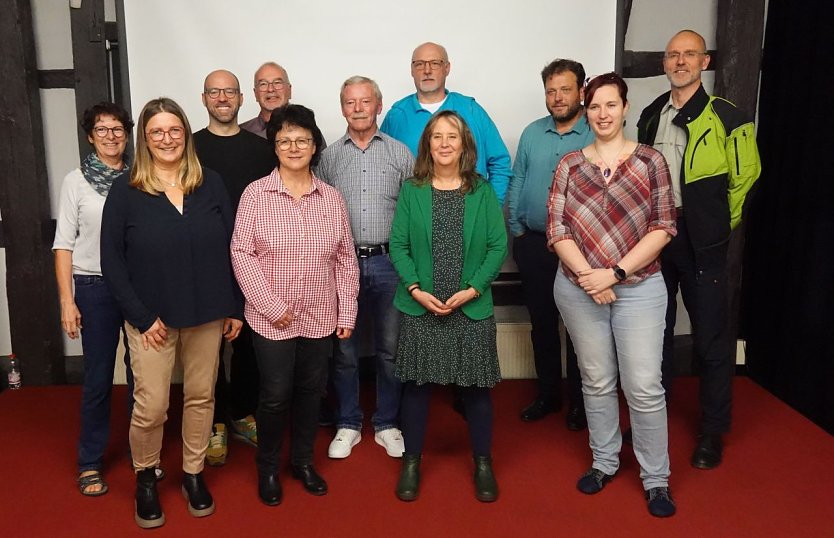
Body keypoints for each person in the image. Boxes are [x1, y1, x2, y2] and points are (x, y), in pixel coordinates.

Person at [101, 97, 243, 529]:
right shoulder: (125, 190)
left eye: (174, 130)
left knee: (202, 397)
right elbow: (112, 262)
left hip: (207, 313)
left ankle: (194, 474)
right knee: (153, 405)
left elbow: (232, 248)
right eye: (157, 132)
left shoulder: (211, 183)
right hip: (151, 322)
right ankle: (146, 477)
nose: (167, 138)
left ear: (186, 133)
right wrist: (142, 318)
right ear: (144, 139)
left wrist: (233, 305)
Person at [547, 73, 677, 517]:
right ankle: (604, 461)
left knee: (643, 386)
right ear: (586, 111)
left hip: (639, 288)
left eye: (611, 105)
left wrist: (615, 274)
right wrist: (589, 277)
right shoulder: (569, 165)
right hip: (579, 288)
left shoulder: (649, 162)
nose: (602, 114)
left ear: (625, 108)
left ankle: (656, 479)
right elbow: (557, 229)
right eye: (594, 106)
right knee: (597, 381)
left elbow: (664, 227)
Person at [637, 29, 761, 470]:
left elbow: (746, 178)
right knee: (656, 331)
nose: (680, 61)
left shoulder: (729, 116)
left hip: (701, 238)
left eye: (689, 54)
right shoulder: (651, 114)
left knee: (711, 337)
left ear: (704, 62)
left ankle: (713, 430)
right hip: (657, 236)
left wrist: (713, 226)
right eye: (673, 55)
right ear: (665, 63)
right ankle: (657, 412)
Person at [231, 104, 359, 506]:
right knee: (274, 395)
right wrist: (269, 304)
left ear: (314, 145)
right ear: (274, 146)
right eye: (284, 140)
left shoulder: (331, 197)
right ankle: (268, 467)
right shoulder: (256, 193)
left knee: (310, 391)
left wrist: (347, 311)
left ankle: (302, 462)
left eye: (302, 139)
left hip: (321, 315)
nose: (293, 146)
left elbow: (344, 258)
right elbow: (241, 252)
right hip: (272, 319)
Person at [390, 110, 507, 503]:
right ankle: (411, 461)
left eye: (451, 136)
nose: (443, 143)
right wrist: (416, 289)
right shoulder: (412, 190)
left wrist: (473, 289)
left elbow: (497, 246)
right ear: (427, 144)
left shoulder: (482, 191)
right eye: (436, 136)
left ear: (464, 144)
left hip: (469, 306)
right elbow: (399, 245)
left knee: (475, 391)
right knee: (418, 389)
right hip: (422, 304)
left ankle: (484, 462)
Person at [317, 76, 414, 460]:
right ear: (342, 108)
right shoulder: (328, 157)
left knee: (391, 348)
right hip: (341, 265)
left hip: (390, 263)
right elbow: (318, 209)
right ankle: (348, 422)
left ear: (379, 105)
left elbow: (413, 211)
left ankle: (388, 422)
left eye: (365, 101)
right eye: (350, 102)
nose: (358, 108)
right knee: (344, 350)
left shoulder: (399, 153)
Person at [194, 69, 276, 466]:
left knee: (248, 346)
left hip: (254, 262)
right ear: (204, 98)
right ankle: (214, 424)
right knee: (207, 348)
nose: (222, 97)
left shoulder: (261, 151)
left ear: (242, 99)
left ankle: (243, 414)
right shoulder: (188, 147)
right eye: (215, 91)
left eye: (229, 92)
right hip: (202, 263)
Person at [53, 102, 135, 497]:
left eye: (118, 129)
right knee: (99, 378)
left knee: (144, 377)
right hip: (94, 287)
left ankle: (144, 455)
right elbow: (63, 246)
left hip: (137, 288)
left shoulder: (140, 177)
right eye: (102, 129)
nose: (111, 136)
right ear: (90, 136)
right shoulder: (76, 182)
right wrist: (68, 302)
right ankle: (89, 461)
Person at [507, 59, 592, 430]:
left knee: (579, 328)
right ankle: (548, 395)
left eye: (565, 89)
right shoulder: (531, 133)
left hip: (580, 250)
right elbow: (516, 180)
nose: (557, 98)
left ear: (581, 91)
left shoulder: (596, 132)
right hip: (534, 245)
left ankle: (580, 401)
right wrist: (517, 229)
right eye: (551, 91)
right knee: (541, 324)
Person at [381, 42, 512, 204]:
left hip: (470, 214)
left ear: (447, 68)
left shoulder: (471, 110)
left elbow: (500, 163)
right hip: (417, 218)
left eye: (435, 63)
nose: (427, 70)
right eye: (420, 64)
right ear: (411, 70)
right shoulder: (396, 115)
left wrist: (492, 208)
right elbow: (382, 172)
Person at [241, 62, 292, 139]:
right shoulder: (242, 133)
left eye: (277, 83)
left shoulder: (307, 128)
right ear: (255, 94)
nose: (270, 89)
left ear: (289, 90)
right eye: (263, 84)